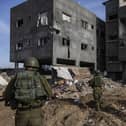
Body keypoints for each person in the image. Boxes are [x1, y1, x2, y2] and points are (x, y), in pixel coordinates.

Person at [4, 57, 52, 126]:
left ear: (25, 66)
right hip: (36, 113)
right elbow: (50, 93)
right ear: (36, 66)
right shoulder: (40, 77)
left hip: (21, 113)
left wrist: (8, 100)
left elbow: (7, 93)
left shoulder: (17, 76)